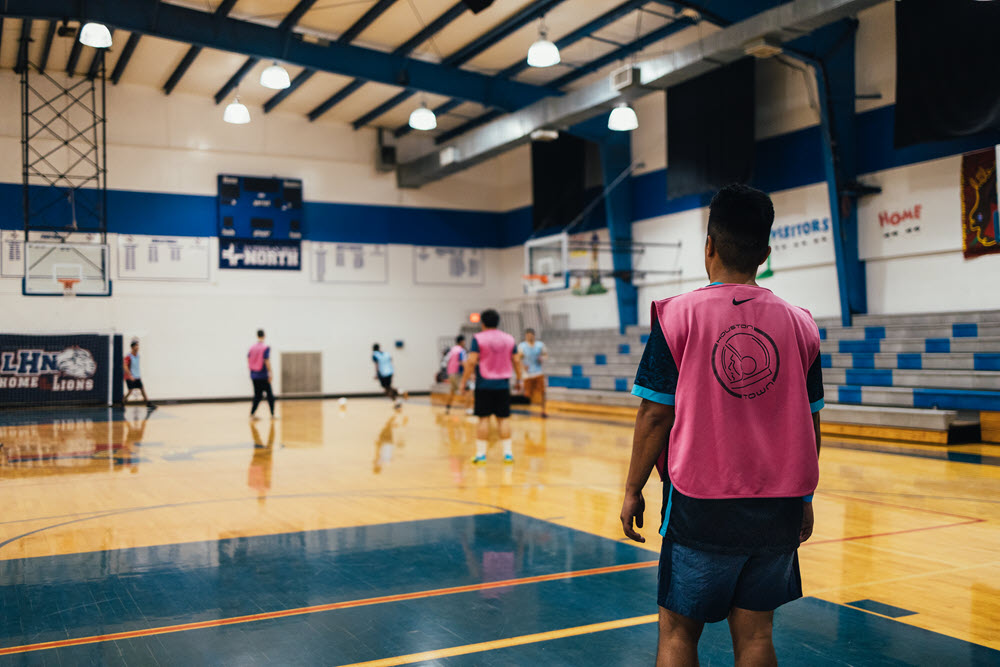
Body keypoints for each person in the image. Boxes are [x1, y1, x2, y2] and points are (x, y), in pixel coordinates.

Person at [619, 184, 824, 667]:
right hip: (778, 503)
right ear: (766, 253)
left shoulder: (675, 317)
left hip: (700, 503)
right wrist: (805, 497)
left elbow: (654, 414)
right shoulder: (802, 324)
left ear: (708, 245)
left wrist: (632, 488)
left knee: (678, 633)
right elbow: (812, 424)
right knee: (756, 635)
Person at [459, 309, 522, 464]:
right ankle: (508, 454)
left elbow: (472, 361)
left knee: (483, 419)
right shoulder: (509, 339)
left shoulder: (478, 338)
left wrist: (463, 382)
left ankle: (481, 455)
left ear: (483, 323)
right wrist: (520, 379)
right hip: (502, 384)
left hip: (484, 384)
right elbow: (516, 360)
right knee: (503, 419)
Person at [516, 328, 548, 418]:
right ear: (526, 336)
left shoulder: (540, 345)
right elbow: (518, 358)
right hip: (527, 374)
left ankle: (543, 410)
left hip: (538, 372)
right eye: (527, 335)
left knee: (542, 392)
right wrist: (523, 366)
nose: (529, 337)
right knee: (526, 393)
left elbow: (545, 355)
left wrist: (542, 358)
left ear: (534, 335)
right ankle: (525, 411)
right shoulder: (522, 346)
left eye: (531, 335)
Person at [248, 329, 276, 419]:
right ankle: (272, 414)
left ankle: (252, 414)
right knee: (270, 396)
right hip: (263, 375)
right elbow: (266, 360)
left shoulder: (252, 347)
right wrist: (270, 373)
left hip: (254, 375)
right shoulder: (265, 347)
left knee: (258, 395)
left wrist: (252, 369)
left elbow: (248, 359)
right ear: (264, 336)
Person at [122, 340, 155, 409]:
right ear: (132, 347)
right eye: (136, 346)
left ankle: (148, 403)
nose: (137, 347)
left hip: (137, 377)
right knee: (130, 391)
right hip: (130, 377)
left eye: (138, 345)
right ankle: (123, 402)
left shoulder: (138, 356)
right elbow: (125, 366)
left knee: (142, 389)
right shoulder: (128, 356)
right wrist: (130, 375)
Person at [372, 343, 405, 408]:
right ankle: (400, 391)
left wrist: (376, 374)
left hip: (383, 373)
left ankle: (397, 400)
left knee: (387, 390)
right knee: (389, 387)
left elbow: (377, 364)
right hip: (390, 371)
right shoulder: (386, 353)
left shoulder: (375, 354)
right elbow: (391, 360)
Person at [445, 335, 468, 413]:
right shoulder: (461, 350)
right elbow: (463, 362)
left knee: (452, 391)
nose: (465, 343)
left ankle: (447, 408)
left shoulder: (451, 350)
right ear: (461, 341)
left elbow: (447, 361)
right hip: (458, 373)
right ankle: (468, 409)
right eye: (464, 341)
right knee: (465, 390)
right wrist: (469, 373)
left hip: (450, 373)